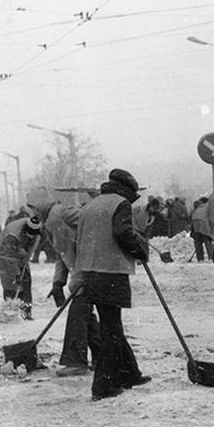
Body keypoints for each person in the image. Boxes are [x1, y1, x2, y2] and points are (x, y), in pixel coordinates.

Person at [74, 168, 151, 401]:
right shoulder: (120, 204)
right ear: (127, 190)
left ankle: (130, 373)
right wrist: (140, 248)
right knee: (112, 331)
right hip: (111, 273)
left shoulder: (91, 205)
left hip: (90, 273)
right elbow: (123, 232)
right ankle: (103, 386)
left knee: (111, 324)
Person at [45, 197, 101, 377]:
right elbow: (62, 253)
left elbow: (82, 251)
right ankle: (102, 357)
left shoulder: (60, 217)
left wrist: (76, 281)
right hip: (85, 271)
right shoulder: (52, 223)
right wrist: (57, 283)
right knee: (84, 315)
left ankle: (76, 362)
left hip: (93, 269)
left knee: (78, 313)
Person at [0, 216, 43, 320]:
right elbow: (9, 258)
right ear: (25, 230)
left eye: (32, 236)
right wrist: (16, 274)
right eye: (29, 235)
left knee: (26, 280)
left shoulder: (37, 229)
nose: (31, 237)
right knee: (10, 281)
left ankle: (26, 312)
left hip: (21, 248)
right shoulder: (12, 236)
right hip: (4, 251)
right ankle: (11, 312)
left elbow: (32, 245)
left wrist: (26, 257)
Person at [190, 197, 214, 262]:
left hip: (195, 223)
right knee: (207, 240)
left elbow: (192, 216)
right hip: (203, 223)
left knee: (198, 241)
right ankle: (211, 257)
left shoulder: (198, 207)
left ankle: (200, 258)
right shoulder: (209, 207)